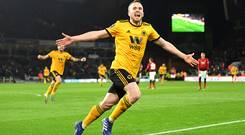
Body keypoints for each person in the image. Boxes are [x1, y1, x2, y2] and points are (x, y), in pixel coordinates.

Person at [56, 0, 198, 134]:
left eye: (140, 8)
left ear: (143, 13)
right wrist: (74, 38)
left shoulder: (147, 29)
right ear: (129, 13)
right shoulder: (120, 25)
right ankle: (109, 121)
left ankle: (81, 126)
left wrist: (184, 56)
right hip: (118, 69)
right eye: (134, 8)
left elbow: (164, 44)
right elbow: (97, 35)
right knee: (135, 94)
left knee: (106, 104)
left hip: (131, 74)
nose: (137, 10)